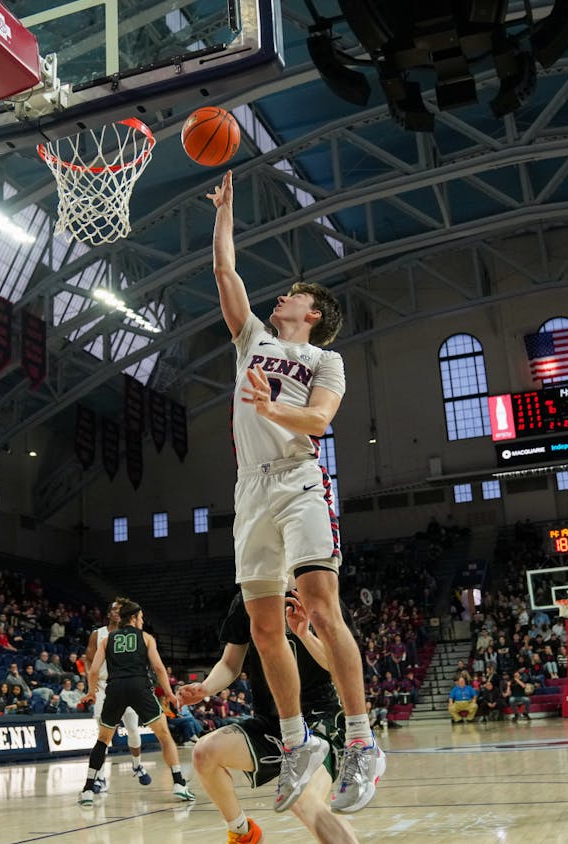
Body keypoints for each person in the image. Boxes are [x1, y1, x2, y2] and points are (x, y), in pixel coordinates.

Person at [208, 169, 383, 814]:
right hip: (249, 491)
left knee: (319, 605)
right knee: (262, 625)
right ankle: (294, 741)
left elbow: (318, 421)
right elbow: (226, 273)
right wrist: (224, 214)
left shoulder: (324, 361)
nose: (281, 296)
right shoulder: (252, 340)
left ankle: (361, 741)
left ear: (312, 314)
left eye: (294, 295)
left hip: (299, 481)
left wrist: (270, 408)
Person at [177, 592, 358, 844]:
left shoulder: (318, 591)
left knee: (302, 796)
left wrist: (305, 635)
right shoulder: (247, 598)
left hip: (319, 719)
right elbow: (230, 664)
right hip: (271, 722)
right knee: (204, 752)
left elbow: (340, 663)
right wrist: (206, 688)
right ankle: (244, 834)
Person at [76, 598, 193, 805]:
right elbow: (158, 668)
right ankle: (179, 783)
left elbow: (93, 670)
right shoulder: (146, 638)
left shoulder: (107, 640)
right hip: (139, 687)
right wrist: (169, 693)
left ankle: (87, 790)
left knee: (102, 740)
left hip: (115, 689)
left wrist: (91, 692)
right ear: (133, 617)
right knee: (164, 736)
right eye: (141, 617)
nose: (142, 621)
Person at [83, 600, 150, 794]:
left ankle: (137, 765)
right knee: (103, 736)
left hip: (126, 684)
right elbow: (88, 659)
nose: (117, 612)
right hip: (104, 687)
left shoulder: (133, 634)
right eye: (113, 609)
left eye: (120, 610)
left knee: (132, 729)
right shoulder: (98, 634)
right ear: (108, 613)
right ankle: (100, 777)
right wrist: (91, 682)